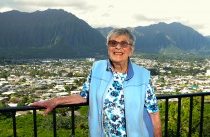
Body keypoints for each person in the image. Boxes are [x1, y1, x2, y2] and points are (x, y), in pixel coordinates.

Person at [29, 28, 162, 137]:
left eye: (123, 44)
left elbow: (154, 113)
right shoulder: (97, 69)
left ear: (131, 50)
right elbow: (84, 96)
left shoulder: (142, 75)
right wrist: (56, 101)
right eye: (113, 43)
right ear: (108, 47)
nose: (118, 47)